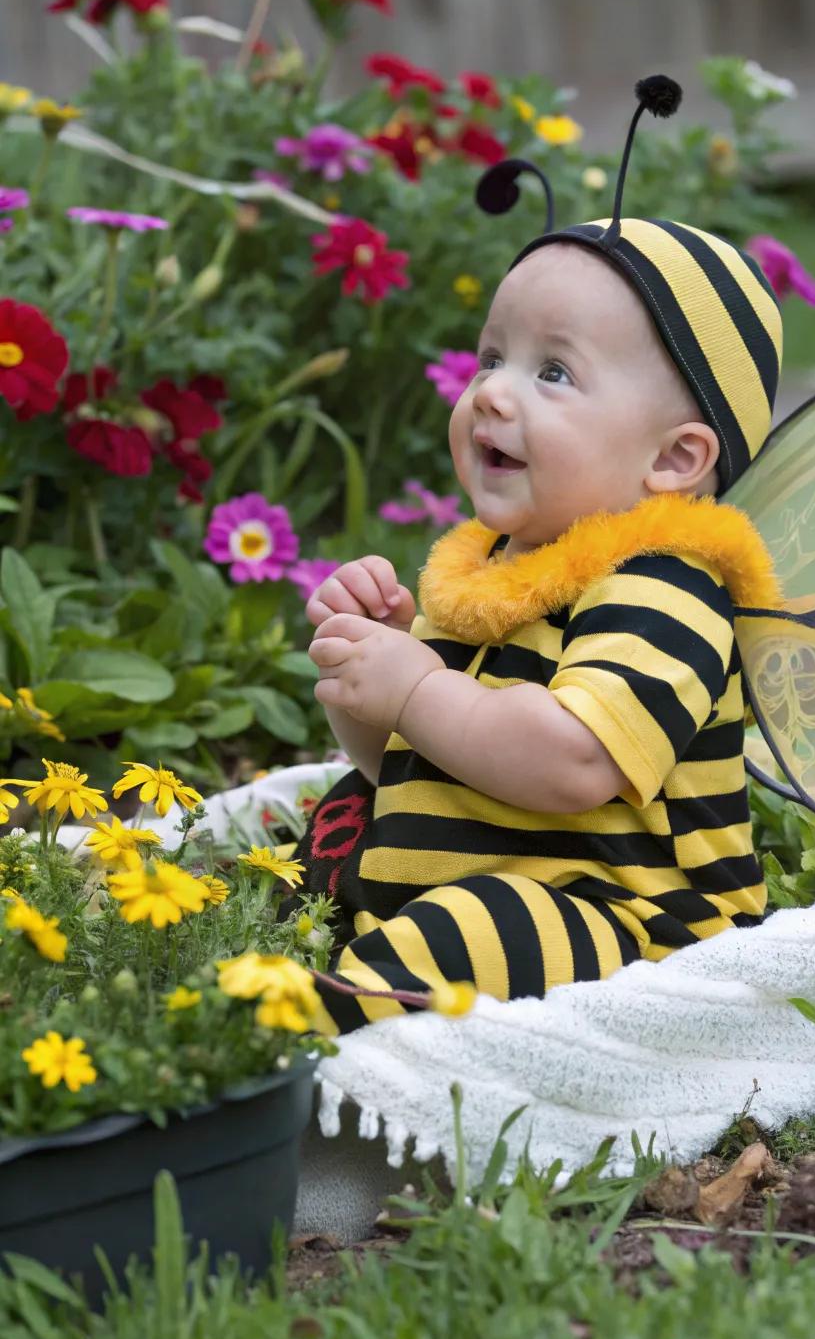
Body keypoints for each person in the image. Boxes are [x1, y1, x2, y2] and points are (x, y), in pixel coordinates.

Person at [296, 77, 785, 1031]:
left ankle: (287, 1042)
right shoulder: (486, 568)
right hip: (475, 885)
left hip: (632, 921)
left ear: (674, 460)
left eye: (553, 373)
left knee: (479, 928)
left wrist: (416, 690)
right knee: (320, 835)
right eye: (491, 357)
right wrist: (371, 677)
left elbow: (567, 766)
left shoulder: (666, 586)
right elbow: (406, 762)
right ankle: (272, 976)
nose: (492, 393)